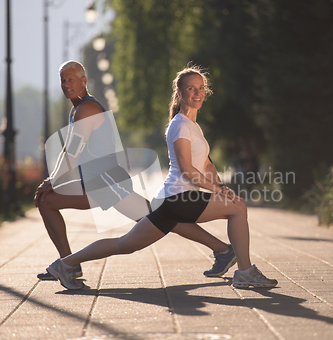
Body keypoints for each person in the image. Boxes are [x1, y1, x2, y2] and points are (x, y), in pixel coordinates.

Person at [46, 64, 278, 291]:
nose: (197, 93)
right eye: (190, 88)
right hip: (179, 198)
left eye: (200, 88)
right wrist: (218, 192)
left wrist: (220, 187)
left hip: (171, 202)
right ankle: (245, 272)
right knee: (237, 208)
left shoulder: (193, 126)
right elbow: (188, 170)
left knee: (125, 244)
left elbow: (206, 165)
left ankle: (65, 263)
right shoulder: (179, 126)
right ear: (180, 92)